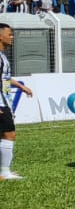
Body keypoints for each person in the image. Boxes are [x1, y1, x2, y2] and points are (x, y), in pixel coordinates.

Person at [1, 22, 33, 180]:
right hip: (0, 103)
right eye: (10, 34)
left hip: (5, 101)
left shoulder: (3, 56)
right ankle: (4, 172)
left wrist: (21, 86)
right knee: (9, 134)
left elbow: (5, 78)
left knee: (5, 135)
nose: (12, 37)